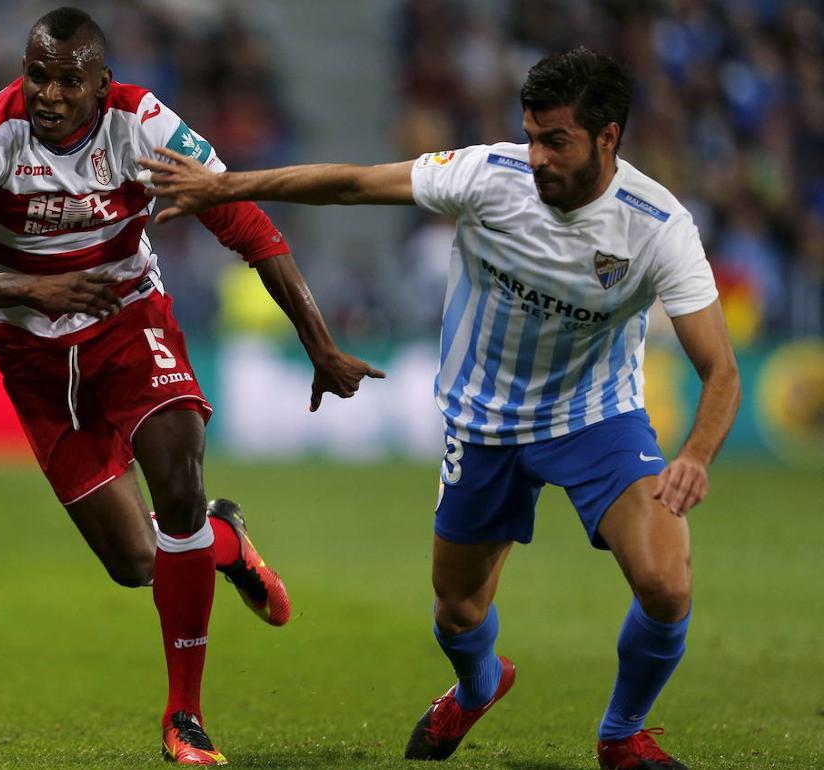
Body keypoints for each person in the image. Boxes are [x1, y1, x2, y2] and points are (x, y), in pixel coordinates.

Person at [140, 47, 741, 770]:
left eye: (558, 141)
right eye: (531, 135)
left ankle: (622, 735)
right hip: (483, 420)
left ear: (608, 138)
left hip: (595, 419)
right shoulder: (491, 176)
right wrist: (224, 186)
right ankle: (477, 685)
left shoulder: (657, 226)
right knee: (457, 612)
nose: (539, 157)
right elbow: (356, 184)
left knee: (667, 583)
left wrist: (697, 455)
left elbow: (721, 370)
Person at [0, 7, 382, 766]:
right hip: (32, 355)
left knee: (177, 479)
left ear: (100, 84)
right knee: (138, 562)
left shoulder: (144, 124)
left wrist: (319, 342)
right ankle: (224, 542)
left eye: (66, 80)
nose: (47, 94)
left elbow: (246, 222)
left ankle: (184, 718)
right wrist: (35, 290)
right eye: (36, 75)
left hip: (129, 320)